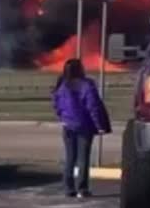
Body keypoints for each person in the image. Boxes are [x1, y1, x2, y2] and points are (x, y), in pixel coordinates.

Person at [52, 59, 112, 198]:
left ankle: (68, 188)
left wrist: (62, 118)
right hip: (84, 126)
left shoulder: (62, 85)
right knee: (83, 158)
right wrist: (100, 125)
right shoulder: (87, 85)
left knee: (70, 158)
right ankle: (82, 189)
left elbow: (56, 104)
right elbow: (93, 106)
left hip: (68, 125)